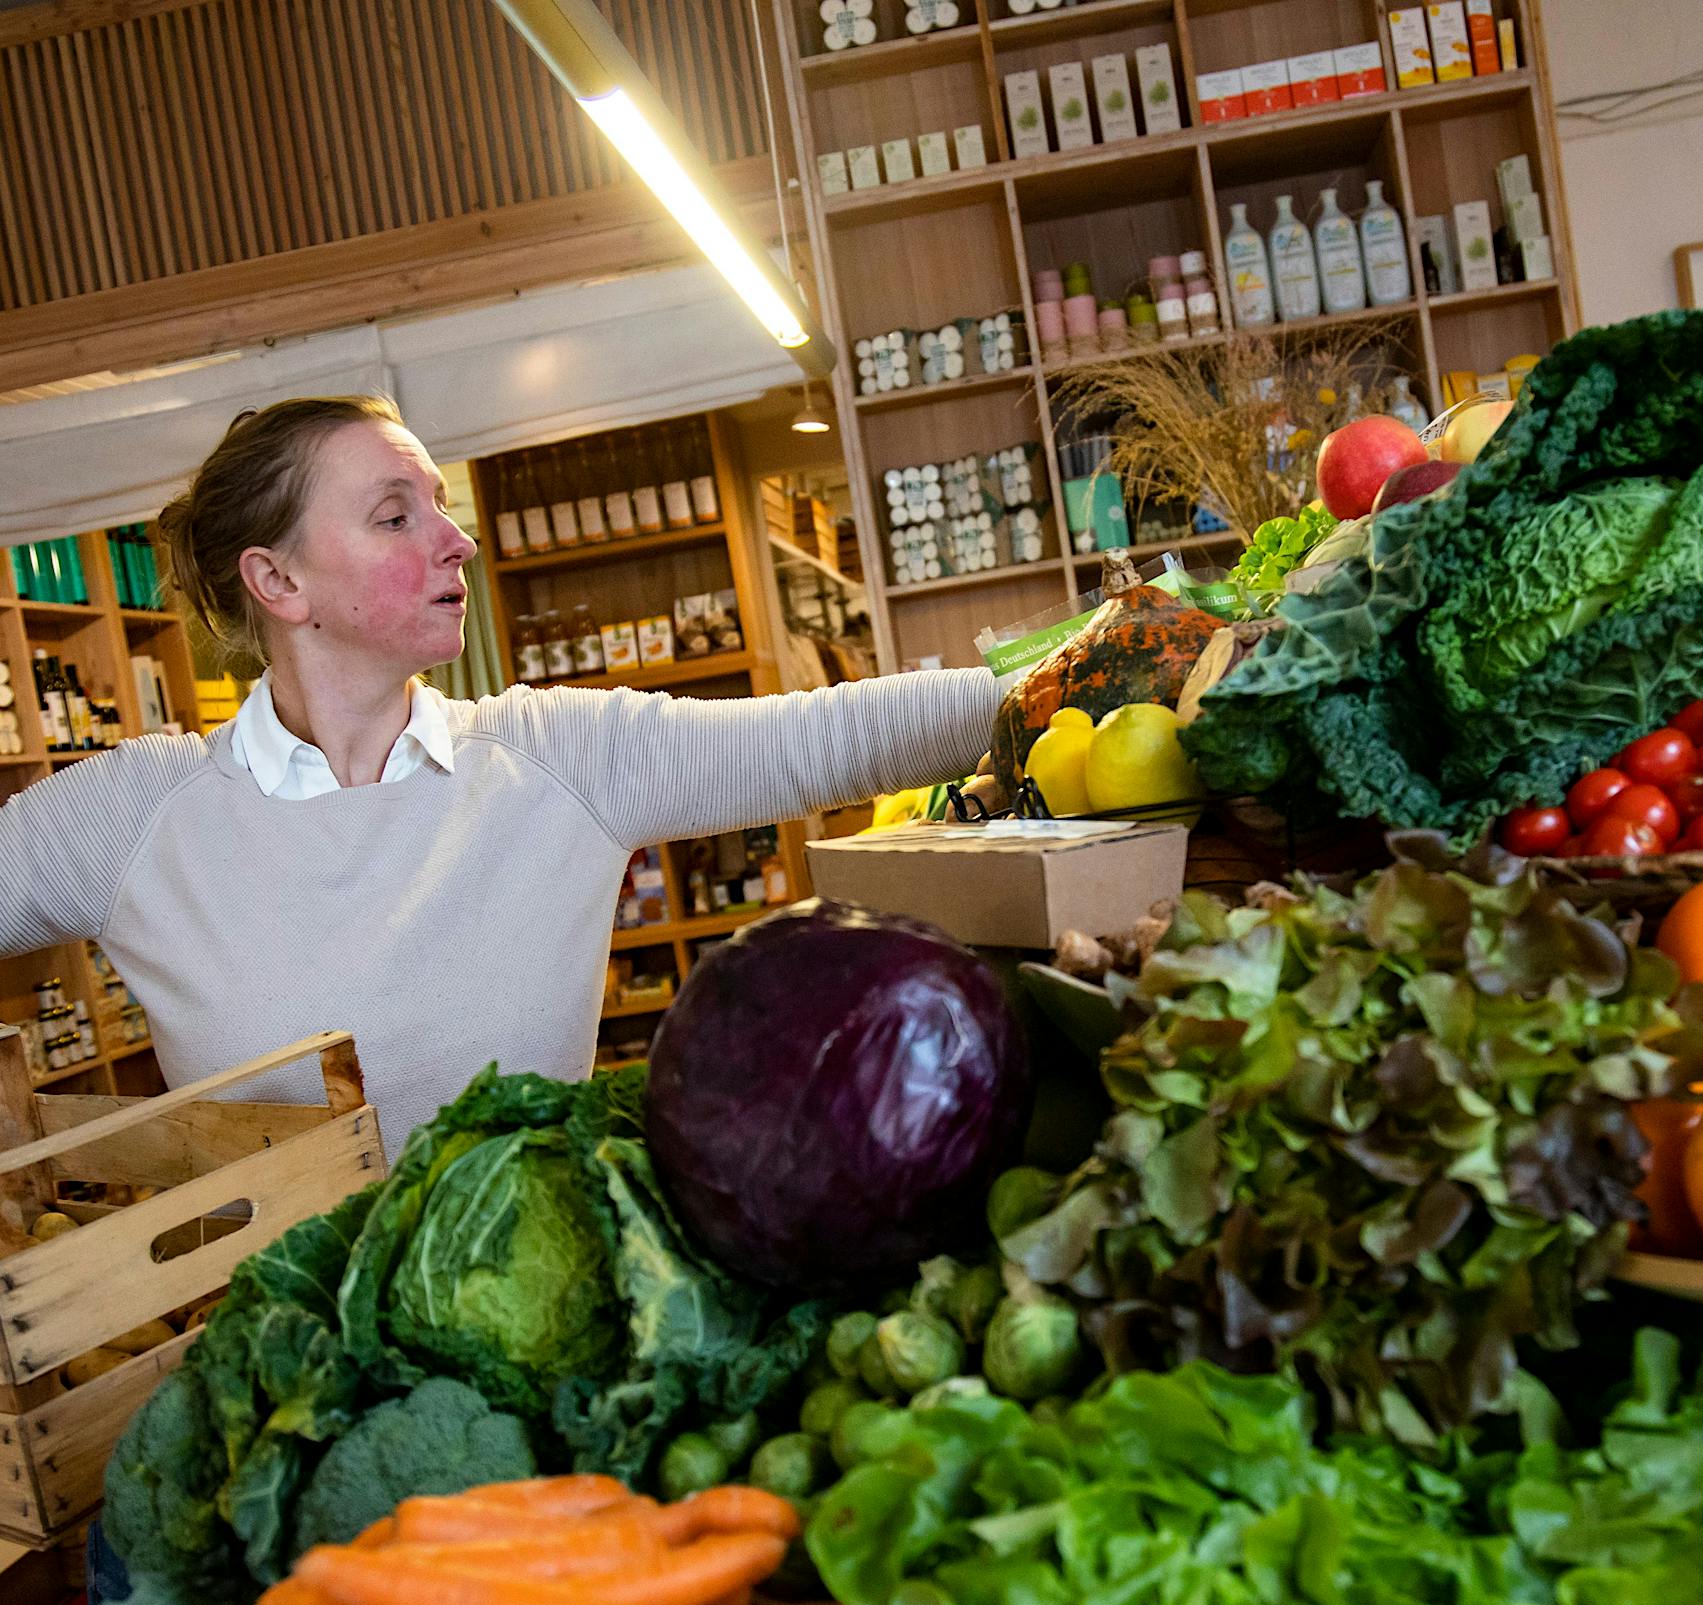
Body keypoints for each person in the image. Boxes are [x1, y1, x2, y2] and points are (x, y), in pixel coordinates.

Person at [0, 395, 998, 1154]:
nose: (457, 541)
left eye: (440, 505)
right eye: (396, 516)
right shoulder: (135, 815)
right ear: (278, 580)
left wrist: (1070, 674)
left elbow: (819, 740)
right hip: (281, 1384)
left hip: (533, 1351)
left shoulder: (550, 759)